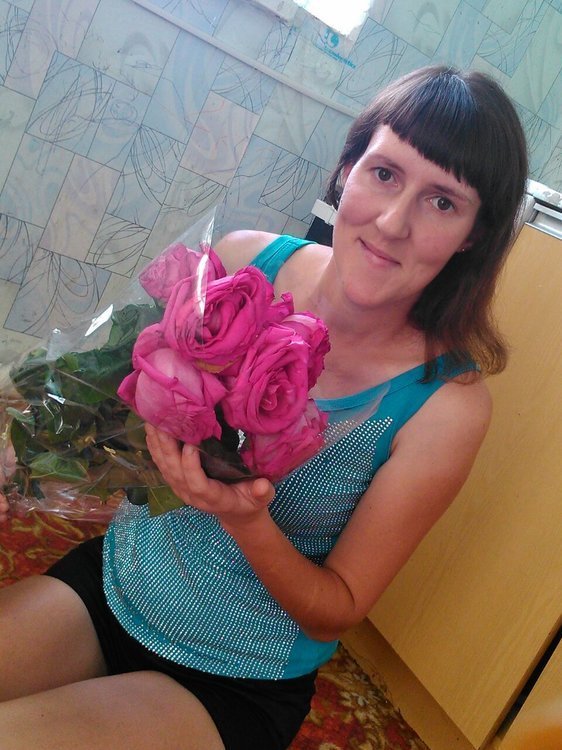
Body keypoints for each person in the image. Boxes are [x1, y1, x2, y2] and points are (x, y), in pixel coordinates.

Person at [0, 65, 527, 750]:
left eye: (443, 202)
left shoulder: (444, 408)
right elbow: (117, 394)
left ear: (473, 236)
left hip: (234, 681)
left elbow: (336, 609)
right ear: (347, 170)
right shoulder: (244, 264)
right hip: (117, 583)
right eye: (385, 174)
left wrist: (245, 517)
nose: (393, 222)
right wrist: (26, 455)